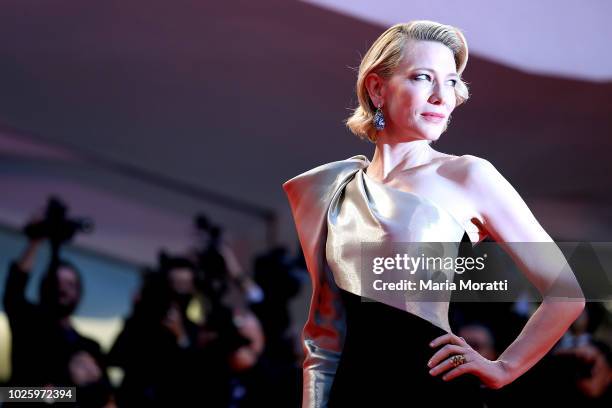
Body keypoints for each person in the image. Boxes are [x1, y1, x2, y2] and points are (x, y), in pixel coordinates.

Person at [282, 20, 585, 407]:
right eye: (424, 78)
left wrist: (505, 368)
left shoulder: (468, 176)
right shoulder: (330, 189)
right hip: (352, 393)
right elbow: (325, 335)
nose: (443, 96)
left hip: (432, 390)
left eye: (452, 81)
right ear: (377, 88)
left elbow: (567, 291)